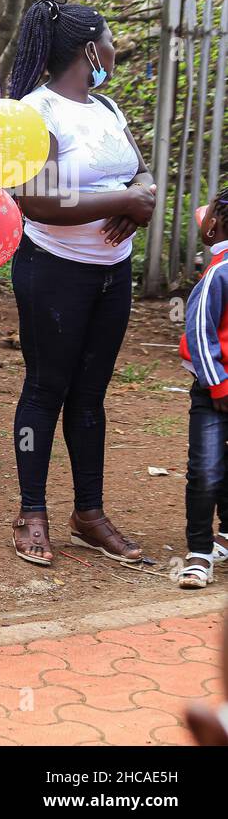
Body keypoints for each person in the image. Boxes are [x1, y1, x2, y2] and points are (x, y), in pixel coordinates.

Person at [3, 0, 155, 567]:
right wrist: (125, 200)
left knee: (91, 397)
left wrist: (138, 193)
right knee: (46, 390)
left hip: (112, 275)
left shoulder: (107, 109)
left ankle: (88, 513)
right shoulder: (36, 114)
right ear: (91, 49)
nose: (116, 51)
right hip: (54, 272)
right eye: (111, 41)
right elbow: (35, 199)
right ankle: (32, 512)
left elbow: (139, 170)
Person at [177, 198, 228, 588]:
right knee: (207, 471)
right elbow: (198, 331)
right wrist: (218, 385)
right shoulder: (217, 274)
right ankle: (199, 553)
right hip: (216, 393)